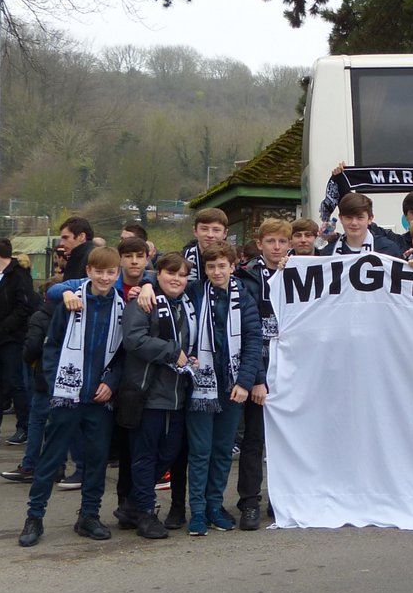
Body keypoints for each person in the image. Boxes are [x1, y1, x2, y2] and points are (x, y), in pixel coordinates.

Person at [19, 247, 126, 547]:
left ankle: (89, 515)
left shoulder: (121, 307)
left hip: (100, 398)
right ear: (89, 271)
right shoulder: (71, 303)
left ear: (116, 275)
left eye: (110, 272)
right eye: (99, 271)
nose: (105, 277)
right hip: (67, 395)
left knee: (96, 460)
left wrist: (111, 382)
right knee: (51, 458)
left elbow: (122, 354)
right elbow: (50, 346)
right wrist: (58, 384)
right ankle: (34, 516)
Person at [183, 240, 262, 536]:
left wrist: (245, 382)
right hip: (200, 385)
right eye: (211, 266)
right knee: (200, 451)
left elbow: (254, 340)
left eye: (222, 266)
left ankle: (215, 506)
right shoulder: (194, 293)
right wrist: (147, 288)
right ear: (205, 269)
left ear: (233, 265)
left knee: (222, 450)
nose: (217, 271)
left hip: (231, 385)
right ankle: (199, 511)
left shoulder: (244, 296)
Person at [117, 253, 197, 539]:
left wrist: (192, 357)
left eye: (182, 274)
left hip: (178, 394)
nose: (176, 279)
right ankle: (146, 513)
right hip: (147, 392)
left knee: (169, 453)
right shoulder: (143, 301)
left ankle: (132, 505)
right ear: (158, 274)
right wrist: (173, 353)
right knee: (145, 455)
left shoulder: (188, 305)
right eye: (170, 273)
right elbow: (134, 339)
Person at [232, 219, 290, 530]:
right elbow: (247, 331)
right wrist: (255, 377)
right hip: (261, 365)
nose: (277, 247)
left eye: (282, 241)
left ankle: (283, 498)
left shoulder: (301, 270)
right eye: (271, 241)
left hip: (292, 367)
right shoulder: (246, 277)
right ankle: (249, 501)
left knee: (289, 438)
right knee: (254, 439)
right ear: (260, 243)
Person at [0, 238, 36, 446]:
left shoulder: (18, 274)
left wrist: (5, 327)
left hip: (13, 338)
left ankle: (24, 426)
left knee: (16, 382)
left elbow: (24, 306)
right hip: (3, 336)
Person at [319, 193, 404, 257]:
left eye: (360, 218)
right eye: (349, 217)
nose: (354, 223)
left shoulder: (388, 249)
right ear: (341, 219)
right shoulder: (327, 253)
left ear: (370, 219)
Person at [182, 208, 230, 284]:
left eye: (216, 230)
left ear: (225, 233)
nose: (210, 235)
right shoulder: (182, 260)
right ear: (195, 231)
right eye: (204, 229)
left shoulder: (234, 262)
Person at [59, 216, 97, 281]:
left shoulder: (93, 258)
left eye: (66, 238)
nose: (61, 243)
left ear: (81, 236)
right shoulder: (77, 257)